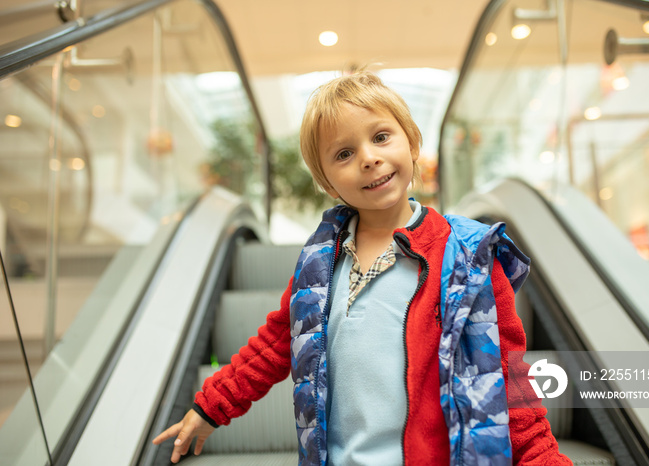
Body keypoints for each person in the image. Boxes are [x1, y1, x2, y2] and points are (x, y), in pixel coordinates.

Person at [153, 71, 572, 465]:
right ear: (329, 184)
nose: (369, 158)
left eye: (381, 136)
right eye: (344, 153)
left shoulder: (467, 257)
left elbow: (507, 380)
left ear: (412, 145)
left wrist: (542, 457)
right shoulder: (320, 262)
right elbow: (277, 340)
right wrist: (211, 406)